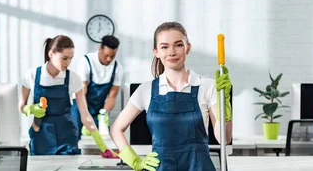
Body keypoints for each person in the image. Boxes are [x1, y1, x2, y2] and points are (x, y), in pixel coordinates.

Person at [110, 22, 233, 171]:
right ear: (156, 52)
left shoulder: (208, 87)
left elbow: (224, 139)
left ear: (188, 47)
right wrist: (135, 161)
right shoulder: (146, 90)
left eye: (178, 45)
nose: (172, 52)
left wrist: (224, 103)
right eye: (164, 46)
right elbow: (116, 129)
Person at [19, 35, 117, 157]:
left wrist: (103, 147)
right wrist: (31, 109)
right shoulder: (31, 75)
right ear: (51, 54)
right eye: (64, 58)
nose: (68, 63)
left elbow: (85, 115)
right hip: (41, 136)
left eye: (71, 58)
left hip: (67, 137)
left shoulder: (73, 78)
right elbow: (21, 106)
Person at [72, 35, 123, 139]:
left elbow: (112, 96)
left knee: (102, 140)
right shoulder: (86, 61)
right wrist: (85, 116)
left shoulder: (117, 68)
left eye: (112, 56)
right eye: (106, 55)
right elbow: (82, 91)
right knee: (75, 136)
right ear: (100, 49)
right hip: (80, 106)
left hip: (99, 110)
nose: (109, 59)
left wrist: (104, 114)